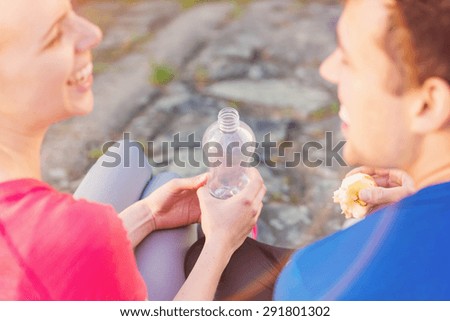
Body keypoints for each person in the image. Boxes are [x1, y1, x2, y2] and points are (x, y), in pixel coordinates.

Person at [0, 0, 266, 300]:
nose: (93, 33)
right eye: (54, 35)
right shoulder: (75, 230)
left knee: (127, 159)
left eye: (72, 13)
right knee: (174, 203)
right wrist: (222, 242)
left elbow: (64, 261)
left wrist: (150, 213)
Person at [186, 0, 450, 300]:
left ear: (428, 105)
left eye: (349, 60)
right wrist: (421, 199)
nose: (327, 69)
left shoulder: (317, 282)